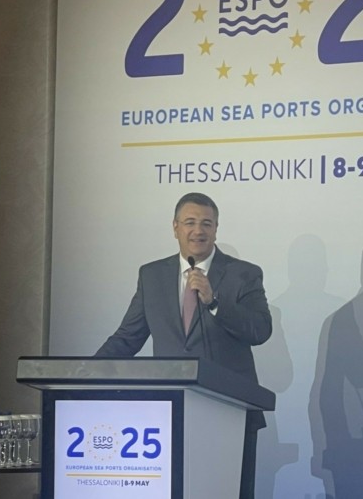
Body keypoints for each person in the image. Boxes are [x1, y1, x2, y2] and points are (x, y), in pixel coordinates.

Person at [96, 192, 272, 499]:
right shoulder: (152, 275)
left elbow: (260, 330)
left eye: (206, 223)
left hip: (229, 412)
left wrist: (214, 302)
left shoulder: (244, 274)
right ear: (175, 227)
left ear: (216, 229)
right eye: (190, 222)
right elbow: (127, 338)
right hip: (166, 415)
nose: (198, 230)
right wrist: (86, 373)